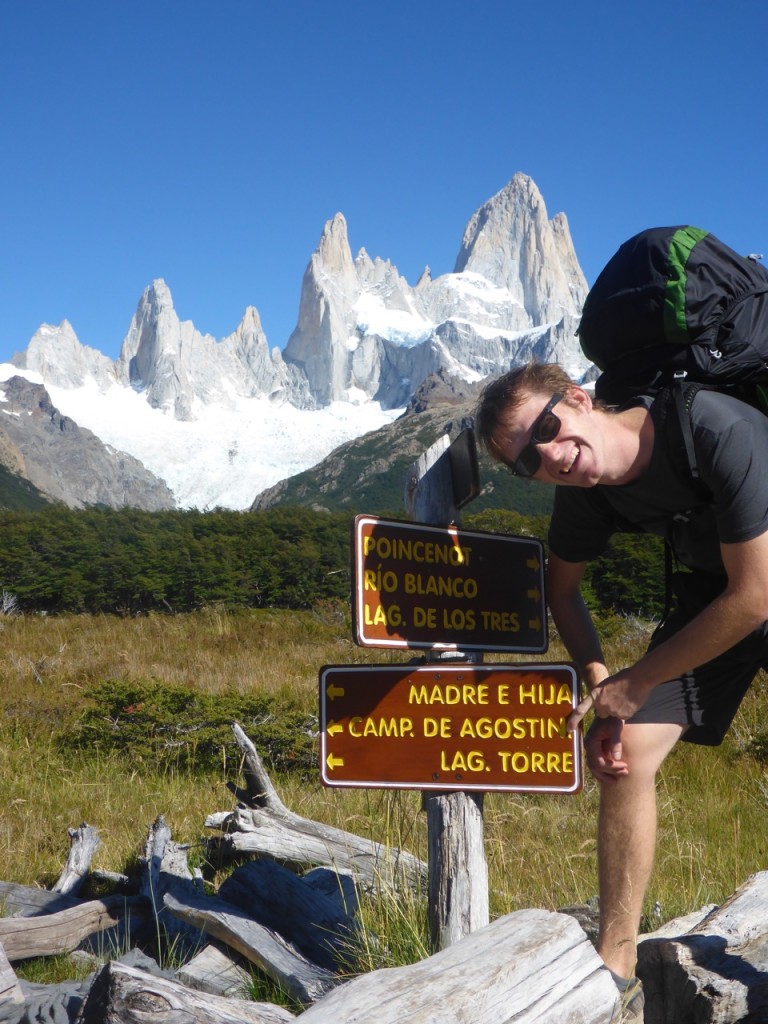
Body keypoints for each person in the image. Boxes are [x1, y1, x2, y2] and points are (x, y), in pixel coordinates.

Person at [474, 361, 768, 1017]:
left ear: (578, 399)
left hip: (750, 589)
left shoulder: (712, 428)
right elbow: (561, 589)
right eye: (529, 463)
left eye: (547, 428)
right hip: (714, 599)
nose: (550, 457)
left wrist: (639, 681)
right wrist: (603, 688)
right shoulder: (586, 489)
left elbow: (755, 597)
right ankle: (616, 965)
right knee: (623, 755)